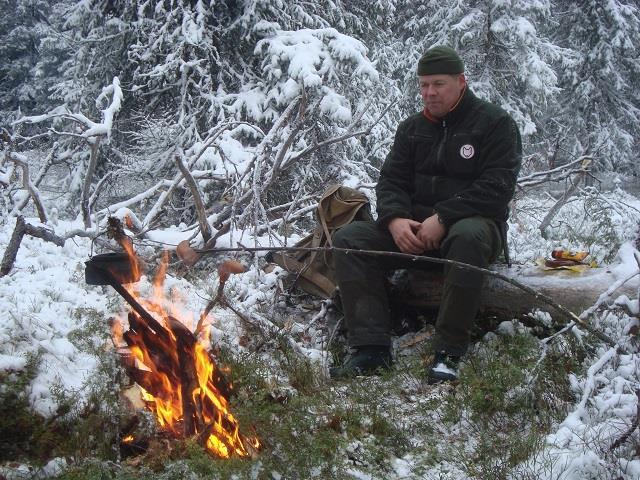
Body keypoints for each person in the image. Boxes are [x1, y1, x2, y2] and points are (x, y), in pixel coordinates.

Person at [329, 46, 522, 382]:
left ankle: (448, 352)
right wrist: (395, 219)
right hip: (414, 232)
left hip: (469, 231)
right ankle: (371, 349)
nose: (429, 92)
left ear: (461, 82)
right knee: (349, 239)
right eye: (423, 85)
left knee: (467, 235)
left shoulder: (495, 124)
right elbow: (391, 181)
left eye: (439, 84)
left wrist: (444, 218)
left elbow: (497, 187)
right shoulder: (412, 129)